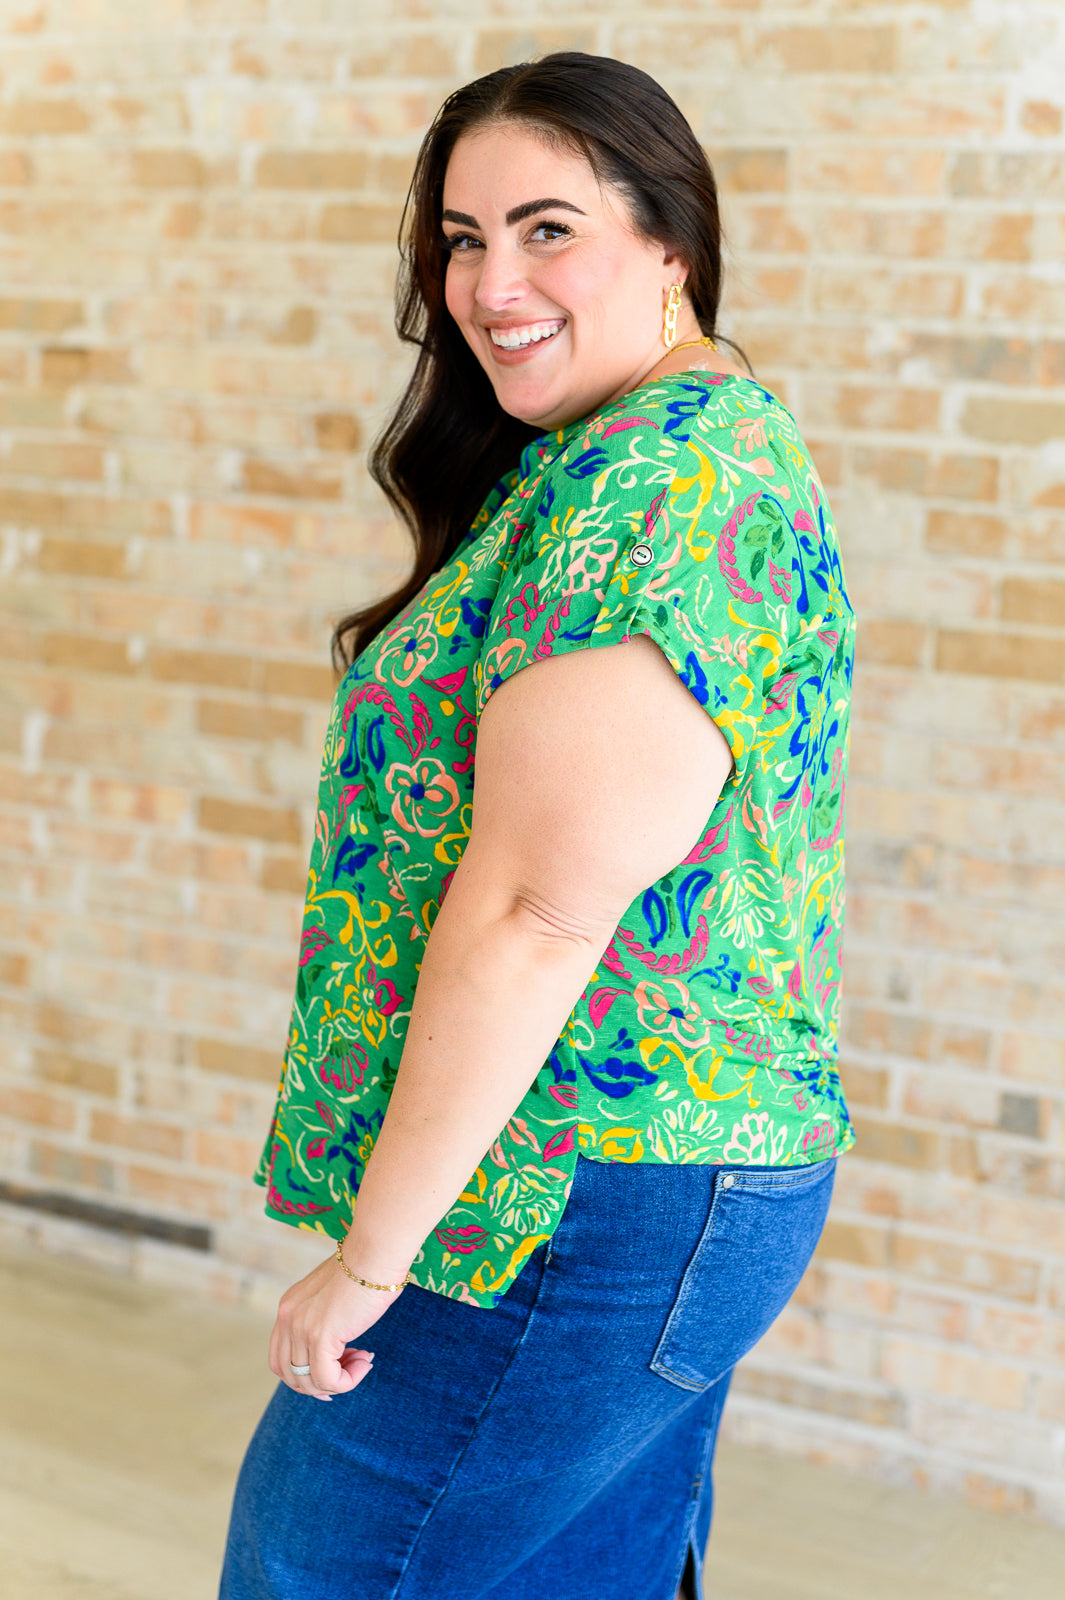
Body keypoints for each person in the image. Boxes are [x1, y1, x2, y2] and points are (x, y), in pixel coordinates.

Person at [220, 51, 856, 1600]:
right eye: (459, 236)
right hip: (623, 1178)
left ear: (669, 245)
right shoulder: (618, 455)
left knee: (326, 1571)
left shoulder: (657, 493)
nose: (489, 281)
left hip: (575, 1196)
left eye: (546, 228)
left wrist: (370, 1264)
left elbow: (537, 917)